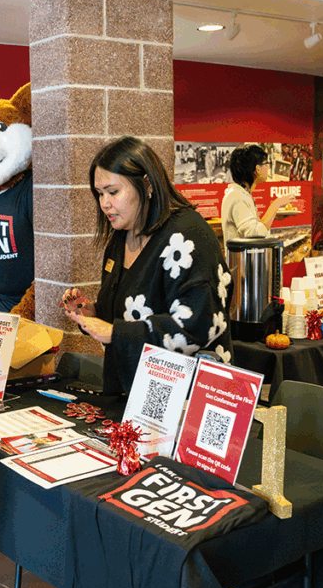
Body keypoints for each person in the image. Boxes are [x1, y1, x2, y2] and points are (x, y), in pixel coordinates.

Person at [62, 136, 234, 395]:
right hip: (130, 395)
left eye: (113, 192)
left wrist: (115, 333)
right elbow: (128, 315)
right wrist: (93, 315)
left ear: (147, 185)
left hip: (185, 399)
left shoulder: (188, 234)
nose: (104, 203)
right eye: (99, 194)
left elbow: (198, 325)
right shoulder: (121, 235)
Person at [220, 144, 295, 243]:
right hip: (242, 258)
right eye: (266, 163)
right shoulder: (237, 197)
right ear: (257, 169)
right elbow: (255, 234)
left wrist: (273, 216)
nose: (268, 167)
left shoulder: (241, 193)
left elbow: (252, 227)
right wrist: (275, 205)